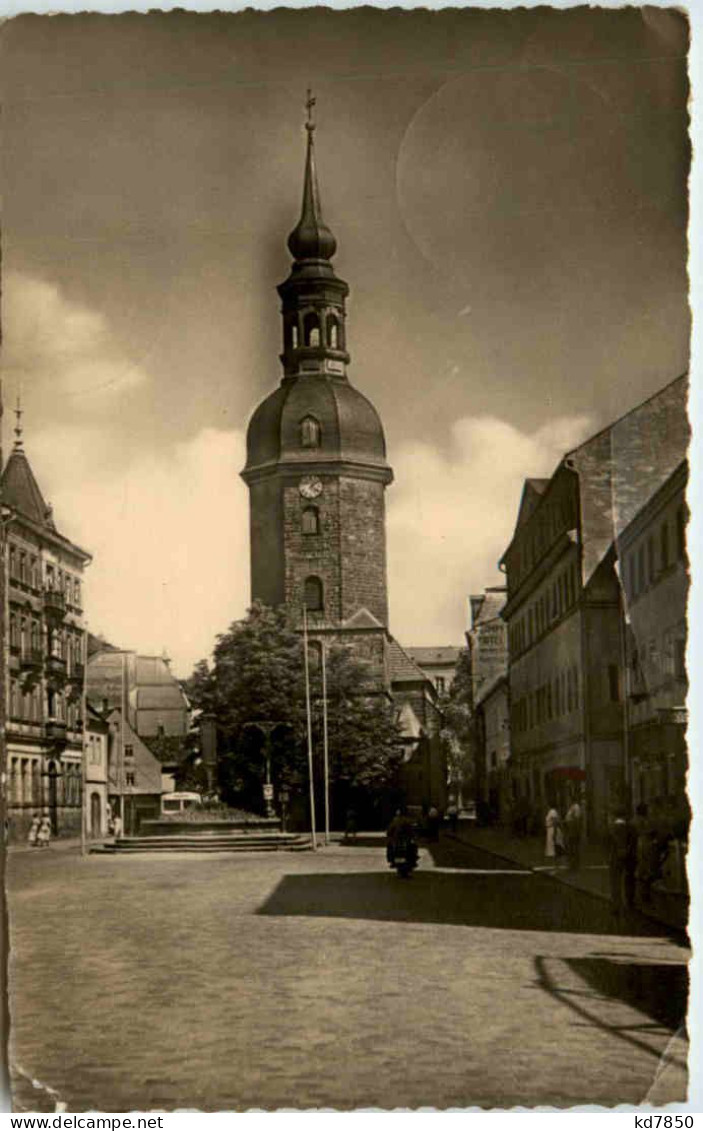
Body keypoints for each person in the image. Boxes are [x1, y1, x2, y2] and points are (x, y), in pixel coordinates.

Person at [609, 809, 636, 915]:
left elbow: (608, 843)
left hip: (615, 857)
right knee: (629, 879)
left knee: (615, 881)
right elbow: (633, 841)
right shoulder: (631, 828)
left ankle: (616, 906)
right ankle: (630, 903)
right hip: (629, 857)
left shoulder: (612, 828)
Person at [564, 796, 582, 871]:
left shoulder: (576, 807)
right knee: (570, 848)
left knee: (573, 848)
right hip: (570, 830)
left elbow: (576, 819)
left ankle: (575, 866)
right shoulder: (571, 807)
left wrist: (576, 830)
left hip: (573, 830)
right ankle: (571, 865)